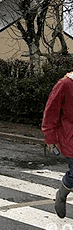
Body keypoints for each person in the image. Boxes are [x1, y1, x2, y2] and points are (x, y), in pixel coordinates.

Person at [41, 71, 73, 219]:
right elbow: (51, 111)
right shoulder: (65, 84)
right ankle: (62, 193)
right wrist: (50, 137)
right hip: (70, 137)